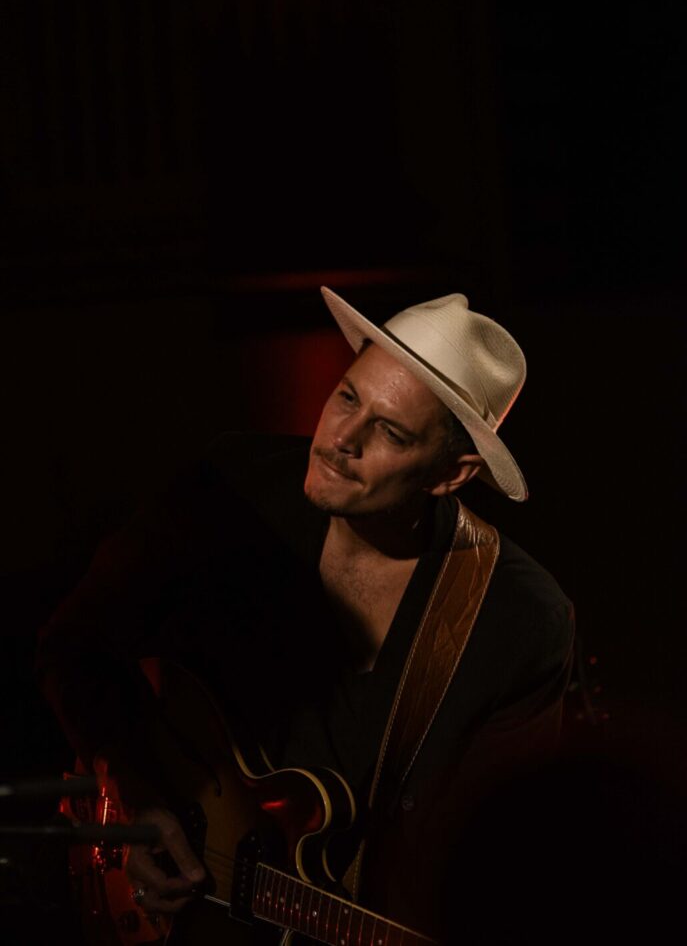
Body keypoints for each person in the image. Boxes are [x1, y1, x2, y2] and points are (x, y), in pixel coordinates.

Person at [36, 287, 575, 942]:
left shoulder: (520, 619)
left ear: (451, 475)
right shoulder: (230, 490)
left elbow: (499, 860)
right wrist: (133, 787)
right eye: (347, 397)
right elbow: (76, 642)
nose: (341, 438)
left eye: (390, 431)